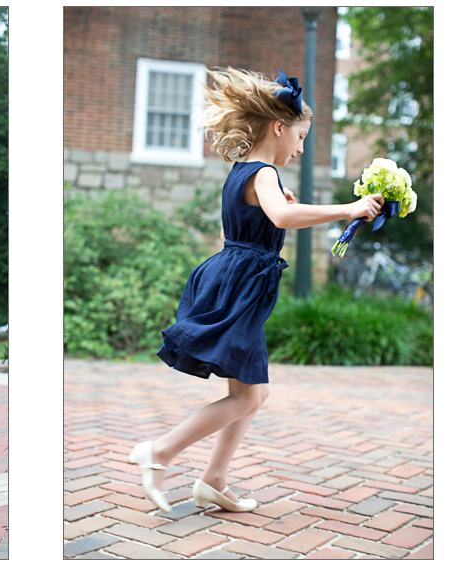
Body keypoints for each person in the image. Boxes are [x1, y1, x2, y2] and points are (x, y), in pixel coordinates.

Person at [128, 68, 385, 514]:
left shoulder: (246, 171)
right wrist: (349, 207)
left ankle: (214, 479)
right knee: (248, 395)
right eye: (300, 138)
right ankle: (160, 453)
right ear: (279, 127)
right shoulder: (264, 172)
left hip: (239, 281)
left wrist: (296, 208)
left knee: (253, 392)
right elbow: (284, 220)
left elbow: (280, 215)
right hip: (242, 285)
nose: (301, 148)